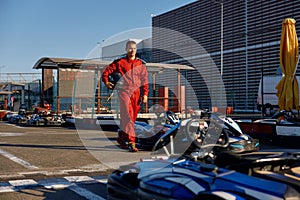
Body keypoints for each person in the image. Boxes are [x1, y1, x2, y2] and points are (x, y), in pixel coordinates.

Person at [101, 40, 148, 152]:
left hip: (136, 93)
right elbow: (106, 72)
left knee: (132, 118)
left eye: (134, 48)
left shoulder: (140, 64)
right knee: (128, 116)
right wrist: (106, 82)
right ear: (126, 49)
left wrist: (145, 93)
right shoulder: (119, 62)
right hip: (124, 92)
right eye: (130, 48)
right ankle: (131, 141)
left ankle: (122, 137)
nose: (132, 50)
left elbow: (144, 80)